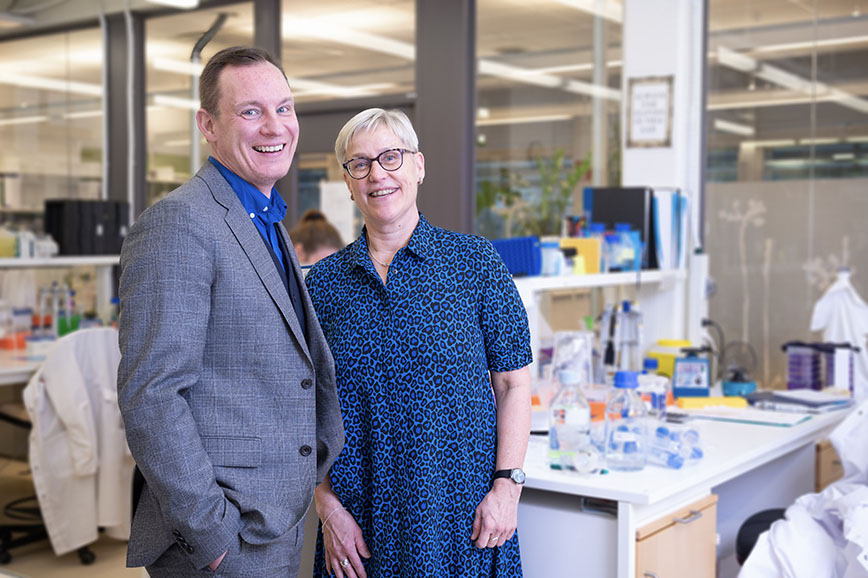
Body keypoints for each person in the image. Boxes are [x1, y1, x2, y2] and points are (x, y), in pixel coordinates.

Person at [116, 46, 345, 577]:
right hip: (224, 537)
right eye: (250, 111)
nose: (275, 126)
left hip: (274, 523)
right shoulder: (179, 223)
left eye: (284, 108)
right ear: (208, 125)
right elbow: (151, 394)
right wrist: (211, 535)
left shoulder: (265, 218)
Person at [305, 108, 533, 578]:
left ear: (419, 166)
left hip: (460, 523)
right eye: (360, 163)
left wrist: (507, 489)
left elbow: (513, 385)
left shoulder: (475, 264)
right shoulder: (323, 285)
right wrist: (326, 507)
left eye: (391, 157)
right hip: (358, 531)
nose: (377, 174)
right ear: (348, 182)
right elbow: (302, 411)